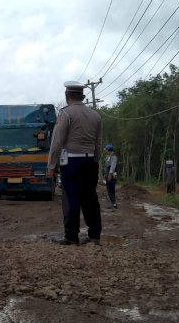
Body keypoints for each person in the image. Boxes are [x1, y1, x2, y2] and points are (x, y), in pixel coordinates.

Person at [47, 81, 102, 245]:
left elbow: (57, 142)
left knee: (71, 199)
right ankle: (94, 236)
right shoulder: (96, 115)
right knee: (90, 199)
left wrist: (51, 165)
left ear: (67, 96)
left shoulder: (66, 114)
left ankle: (71, 236)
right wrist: (95, 161)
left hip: (71, 162)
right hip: (90, 161)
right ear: (83, 96)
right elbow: (98, 143)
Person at [103, 144, 118, 209]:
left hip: (112, 175)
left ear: (109, 150)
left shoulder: (113, 157)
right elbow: (106, 166)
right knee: (108, 189)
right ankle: (111, 203)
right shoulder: (107, 156)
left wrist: (110, 174)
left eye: (105, 150)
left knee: (111, 188)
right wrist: (105, 174)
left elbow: (113, 166)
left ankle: (114, 204)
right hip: (107, 174)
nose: (105, 151)